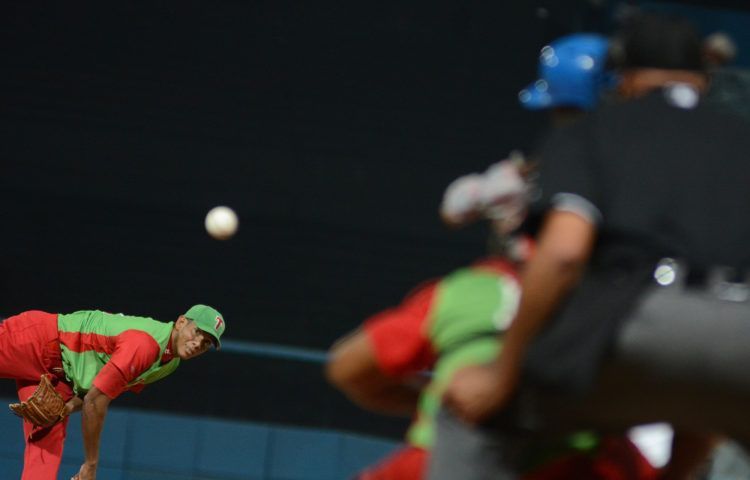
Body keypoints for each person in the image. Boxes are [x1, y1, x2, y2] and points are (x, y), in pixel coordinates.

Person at [437, 11, 750, 480]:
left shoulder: (594, 133)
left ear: (621, 80)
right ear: (705, 78)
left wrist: (501, 376)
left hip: (634, 323)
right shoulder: (740, 139)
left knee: (472, 415)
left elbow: (563, 255)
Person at [0, 304, 226, 480]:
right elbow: (94, 402)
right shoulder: (145, 345)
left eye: (206, 343)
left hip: (62, 378)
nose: (198, 343)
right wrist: (90, 465)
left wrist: (65, 408)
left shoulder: (169, 363)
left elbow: (97, 391)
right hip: (38, 339)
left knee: (45, 455)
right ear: (181, 322)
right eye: (197, 332)